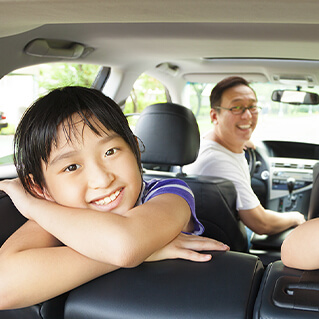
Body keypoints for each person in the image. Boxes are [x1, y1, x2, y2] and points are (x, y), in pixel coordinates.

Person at [0, 86, 229, 310]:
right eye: (71, 167)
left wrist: (30, 205)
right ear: (43, 189)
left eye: (110, 152)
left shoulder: (170, 193)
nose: (102, 179)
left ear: (136, 150)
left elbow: (126, 244)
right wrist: (147, 250)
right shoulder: (54, 212)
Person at [184, 76, 305, 238]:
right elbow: (261, 223)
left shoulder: (209, 144)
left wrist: (241, 139)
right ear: (214, 116)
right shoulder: (218, 161)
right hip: (228, 249)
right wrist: (295, 217)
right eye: (237, 107)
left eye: (252, 107)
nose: (247, 115)